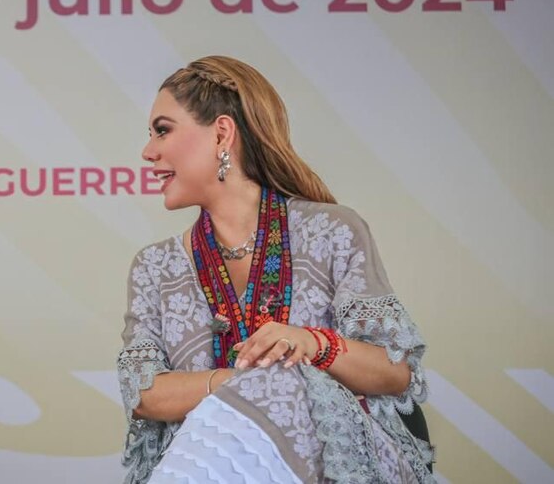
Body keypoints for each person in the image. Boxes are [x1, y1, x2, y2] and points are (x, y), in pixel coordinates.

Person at [117, 56, 433, 483]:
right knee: (276, 383)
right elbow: (145, 392)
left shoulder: (332, 231)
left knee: (289, 382)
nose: (148, 151)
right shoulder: (156, 266)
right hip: (211, 465)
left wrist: (310, 344)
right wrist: (247, 385)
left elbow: (395, 371)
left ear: (222, 134)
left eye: (163, 130)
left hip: (337, 469)